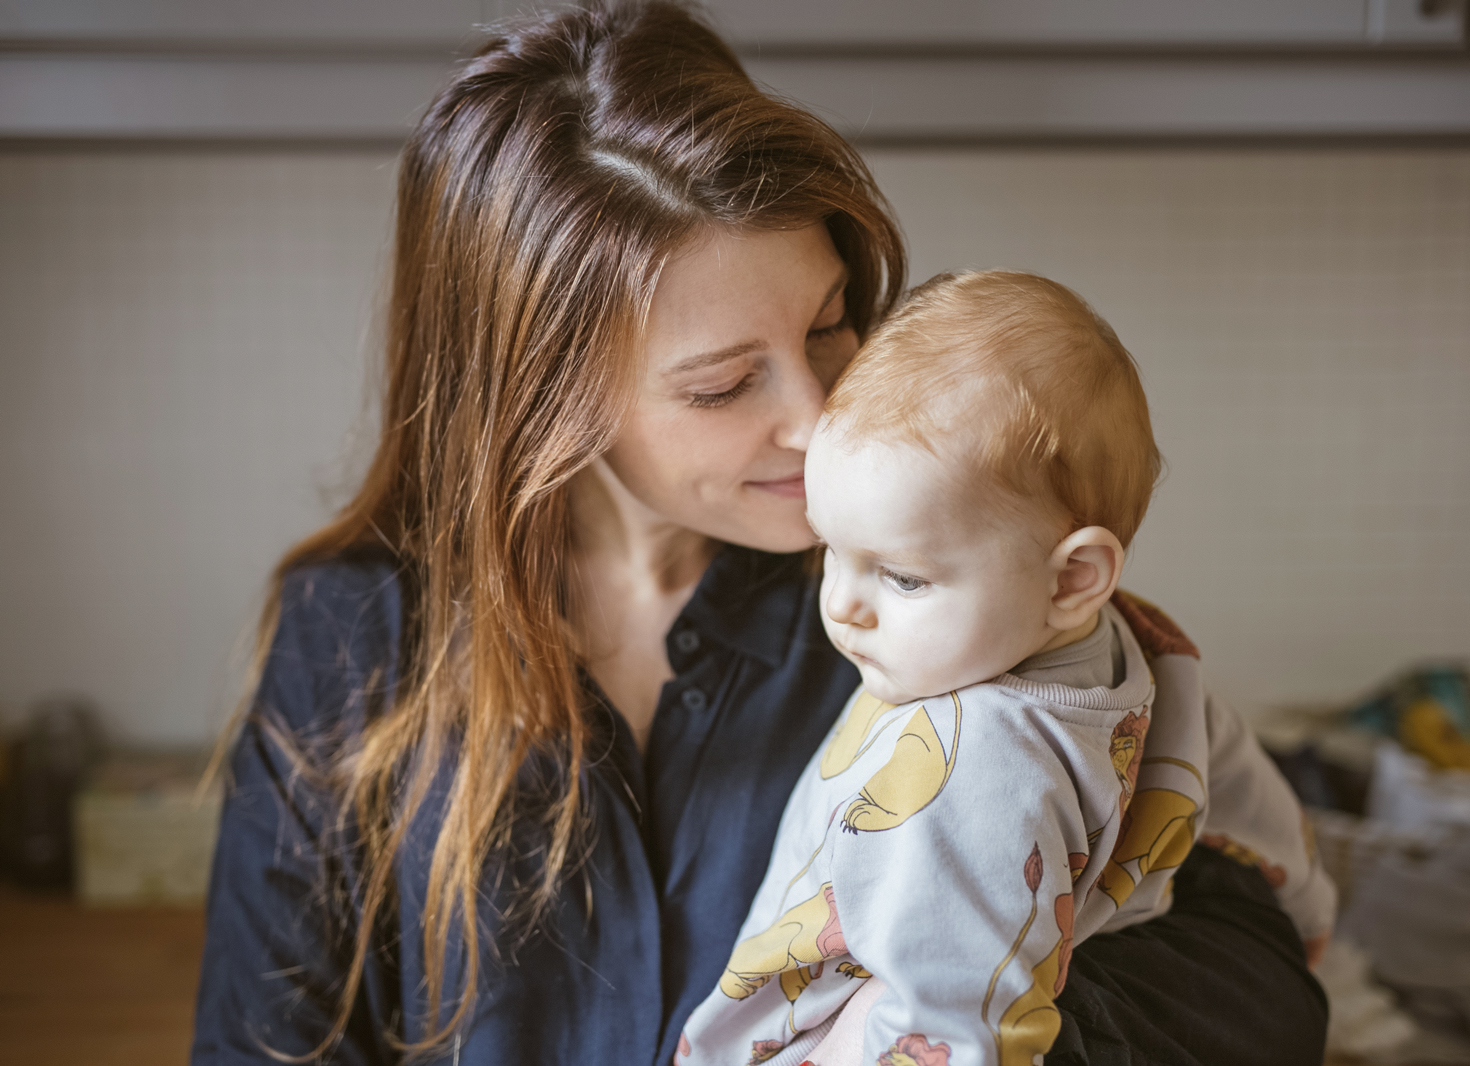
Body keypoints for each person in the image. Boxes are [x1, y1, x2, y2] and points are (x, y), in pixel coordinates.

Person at [190, 5, 1328, 1065]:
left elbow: (1258, 982)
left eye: (831, 324)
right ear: (539, 403)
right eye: (725, 384)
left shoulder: (945, 595)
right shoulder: (353, 639)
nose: (824, 413)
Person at [676, 272, 1336, 1066]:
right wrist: (1306, 905)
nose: (843, 607)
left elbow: (956, 1028)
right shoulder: (1144, 642)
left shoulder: (973, 769)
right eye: (832, 553)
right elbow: (1240, 793)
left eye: (903, 577)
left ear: (1071, 579)